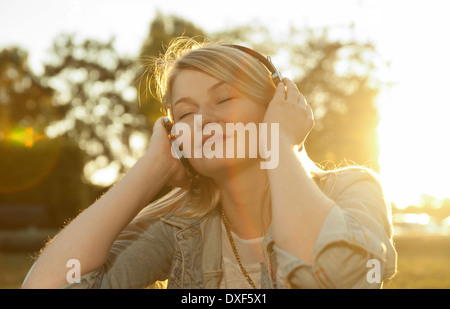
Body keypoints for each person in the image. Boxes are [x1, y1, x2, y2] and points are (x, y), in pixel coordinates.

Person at [22, 37, 397, 289]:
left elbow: (337, 276)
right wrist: (153, 167)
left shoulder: (352, 188)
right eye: (185, 114)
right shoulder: (179, 227)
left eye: (224, 99)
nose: (204, 121)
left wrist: (278, 144)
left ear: (274, 104)